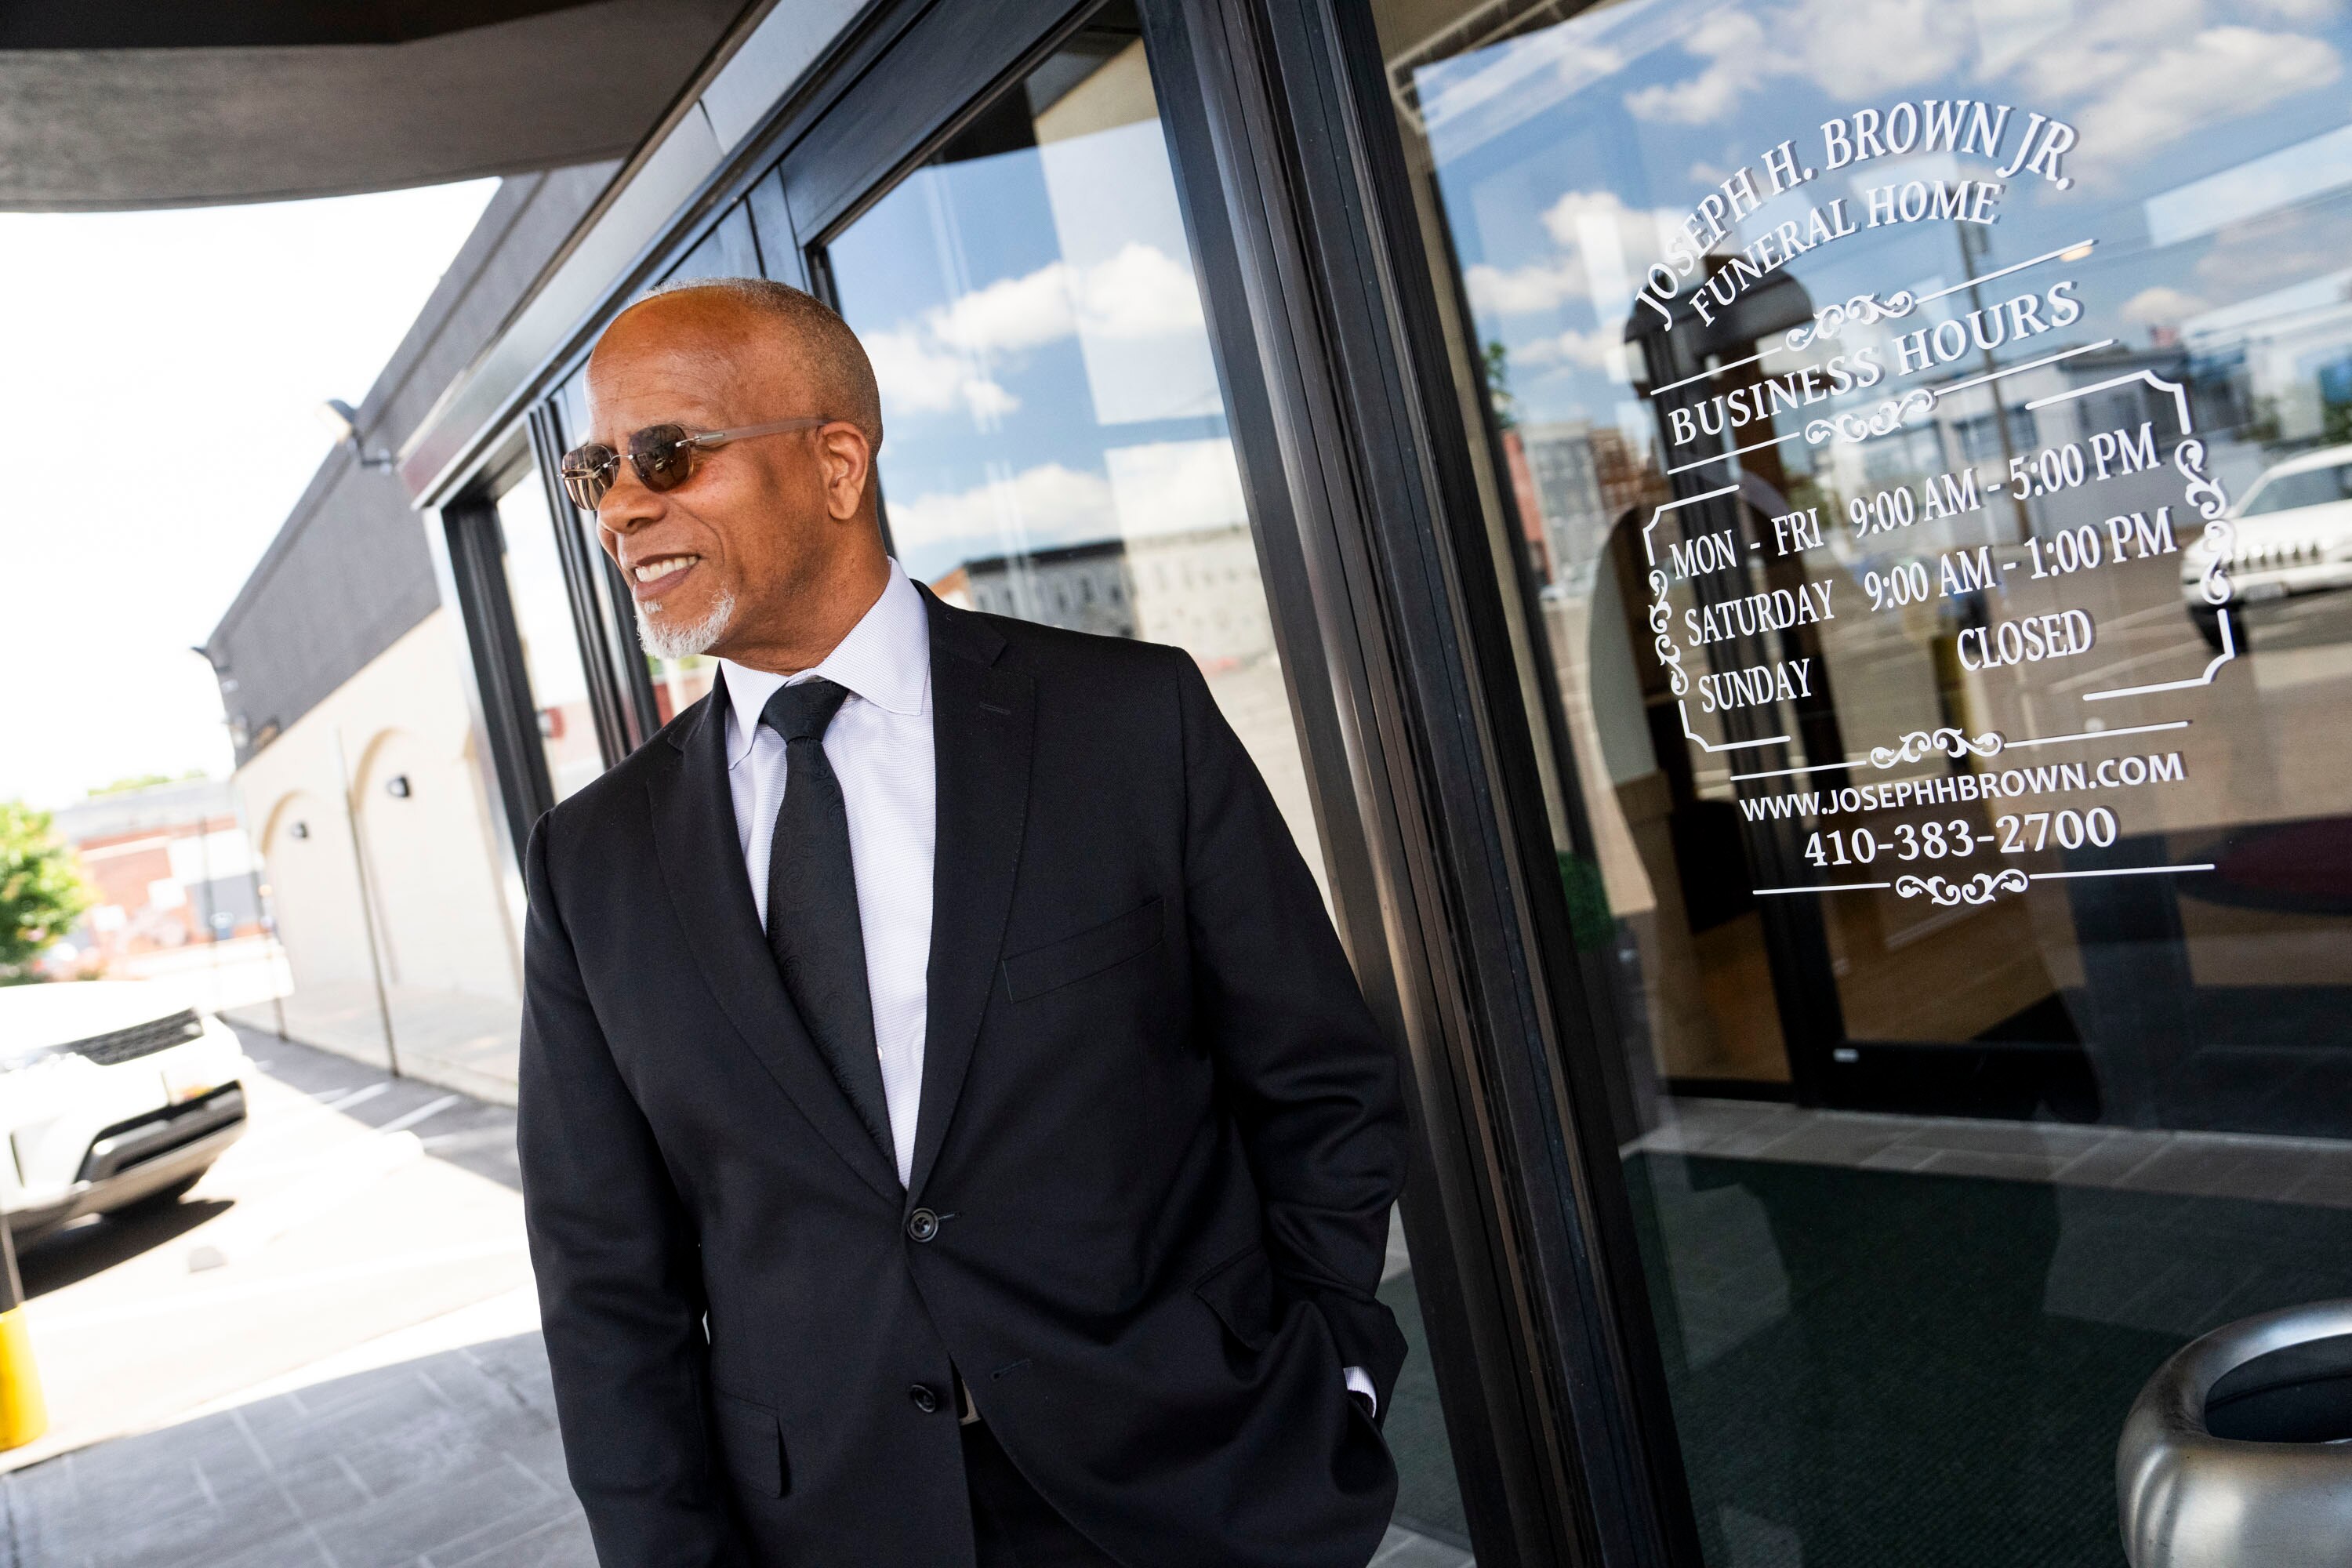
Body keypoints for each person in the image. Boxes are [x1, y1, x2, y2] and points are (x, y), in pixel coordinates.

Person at [516, 276, 1409, 1568]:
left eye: (667, 454)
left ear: (837, 465)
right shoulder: (589, 861)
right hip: (834, 1530)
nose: (621, 507)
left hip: (1190, 1489)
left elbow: (1317, 1076)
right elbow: (604, 1279)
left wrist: (1332, 1367)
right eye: (596, 471)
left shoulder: (1126, 723)